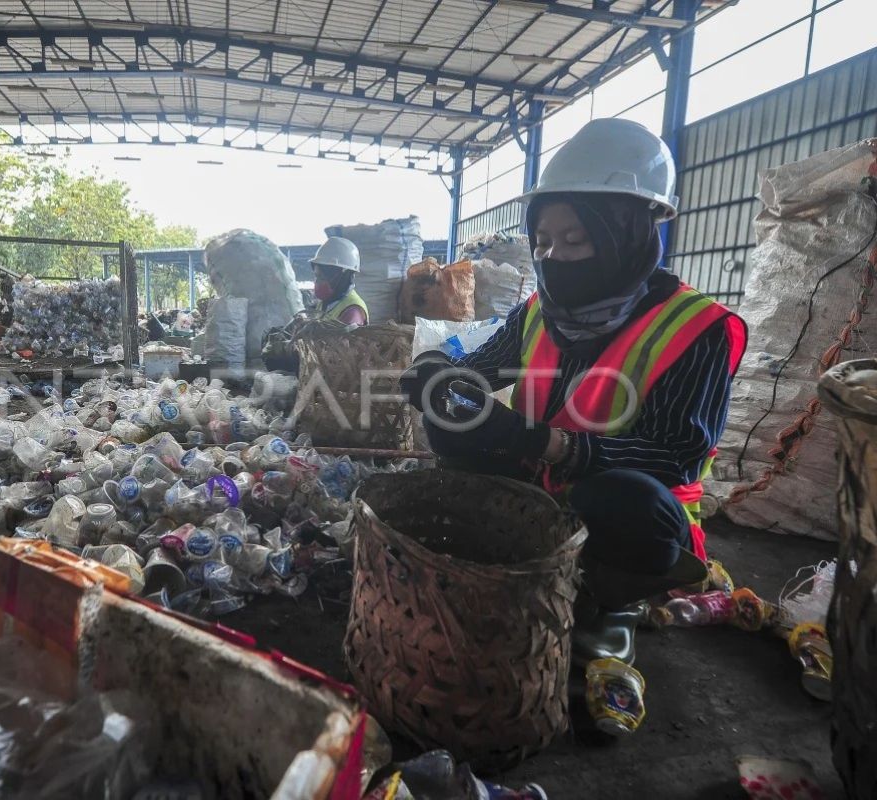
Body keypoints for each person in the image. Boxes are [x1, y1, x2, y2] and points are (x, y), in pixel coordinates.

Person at [401, 118, 748, 722]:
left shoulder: (699, 328)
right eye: (543, 243)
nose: (553, 258)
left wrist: (549, 442)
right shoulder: (539, 310)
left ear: (628, 234)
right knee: (448, 422)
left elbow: (676, 455)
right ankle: (508, 555)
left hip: (629, 515)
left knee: (623, 499)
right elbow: (479, 369)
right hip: (537, 496)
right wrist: (437, 372)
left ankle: (610, 618)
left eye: (575, 241)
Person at [310, 237, 368, 325]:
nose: (318, 282)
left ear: (343, 277)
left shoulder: (352, 311)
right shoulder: (326, 302)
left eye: (322, 277)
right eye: (317, 276)